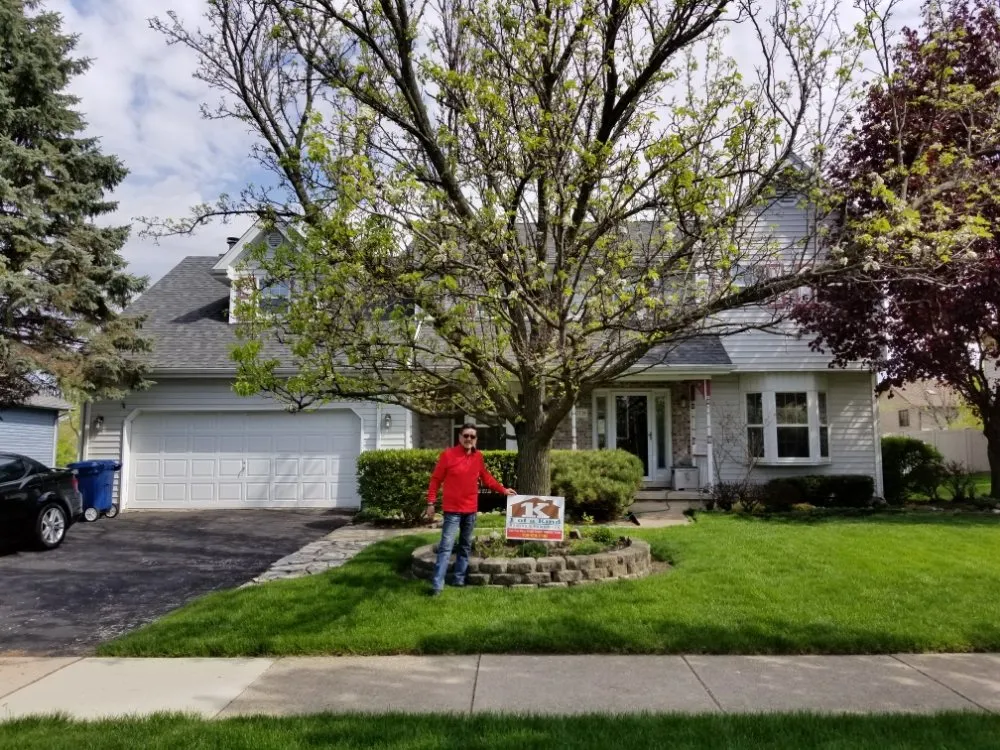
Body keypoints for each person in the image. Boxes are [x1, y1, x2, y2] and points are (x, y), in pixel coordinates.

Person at [425, 423, 516, 595]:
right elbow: (435, 480)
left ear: (475, 440)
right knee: (446, 546)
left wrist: (503, 490)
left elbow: (487, 478)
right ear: (459, 437)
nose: (468, 439)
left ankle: (459, 579)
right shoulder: (448, 455)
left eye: (472, 436)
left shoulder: (478, 457)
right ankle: (437, 585)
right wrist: (431, 503)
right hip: (452, 510)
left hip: (470, 510)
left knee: (465, 546)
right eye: (465, 435)